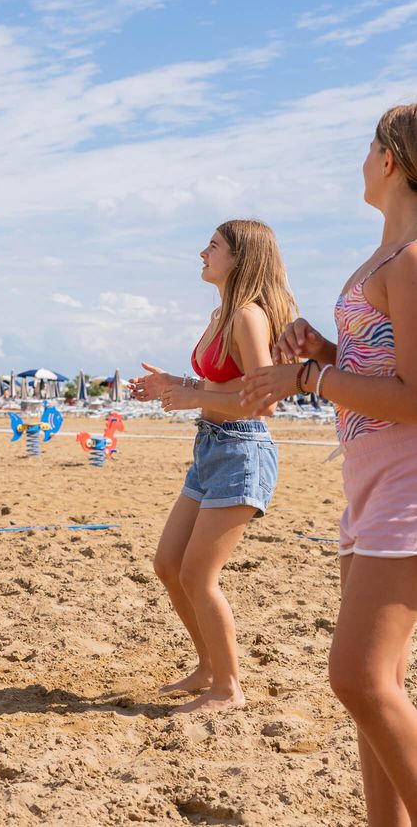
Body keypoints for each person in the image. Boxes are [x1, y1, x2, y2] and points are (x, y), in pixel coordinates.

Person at [240, 105, 417, 827]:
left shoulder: (409, 261)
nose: (360, 159)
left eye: (366, 145)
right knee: (379, 689)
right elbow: (382, 371)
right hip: (370, 481)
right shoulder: (382, 258)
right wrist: (322, 356)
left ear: (389, 160)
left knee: (358, 679)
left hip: (405, 489)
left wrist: (305, 382)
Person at [129, 219, 296, 713]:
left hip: (242, 450)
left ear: (239, 258)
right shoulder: (222, 312)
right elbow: (217, 388)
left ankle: (229, 689)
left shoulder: (248, 315)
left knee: (199, 577)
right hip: (210, 447)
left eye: (214, 246)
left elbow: (263, 401)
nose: (203, 252)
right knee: (168, 564)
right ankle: (208, 666)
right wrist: (175, 384)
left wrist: (190, 395)